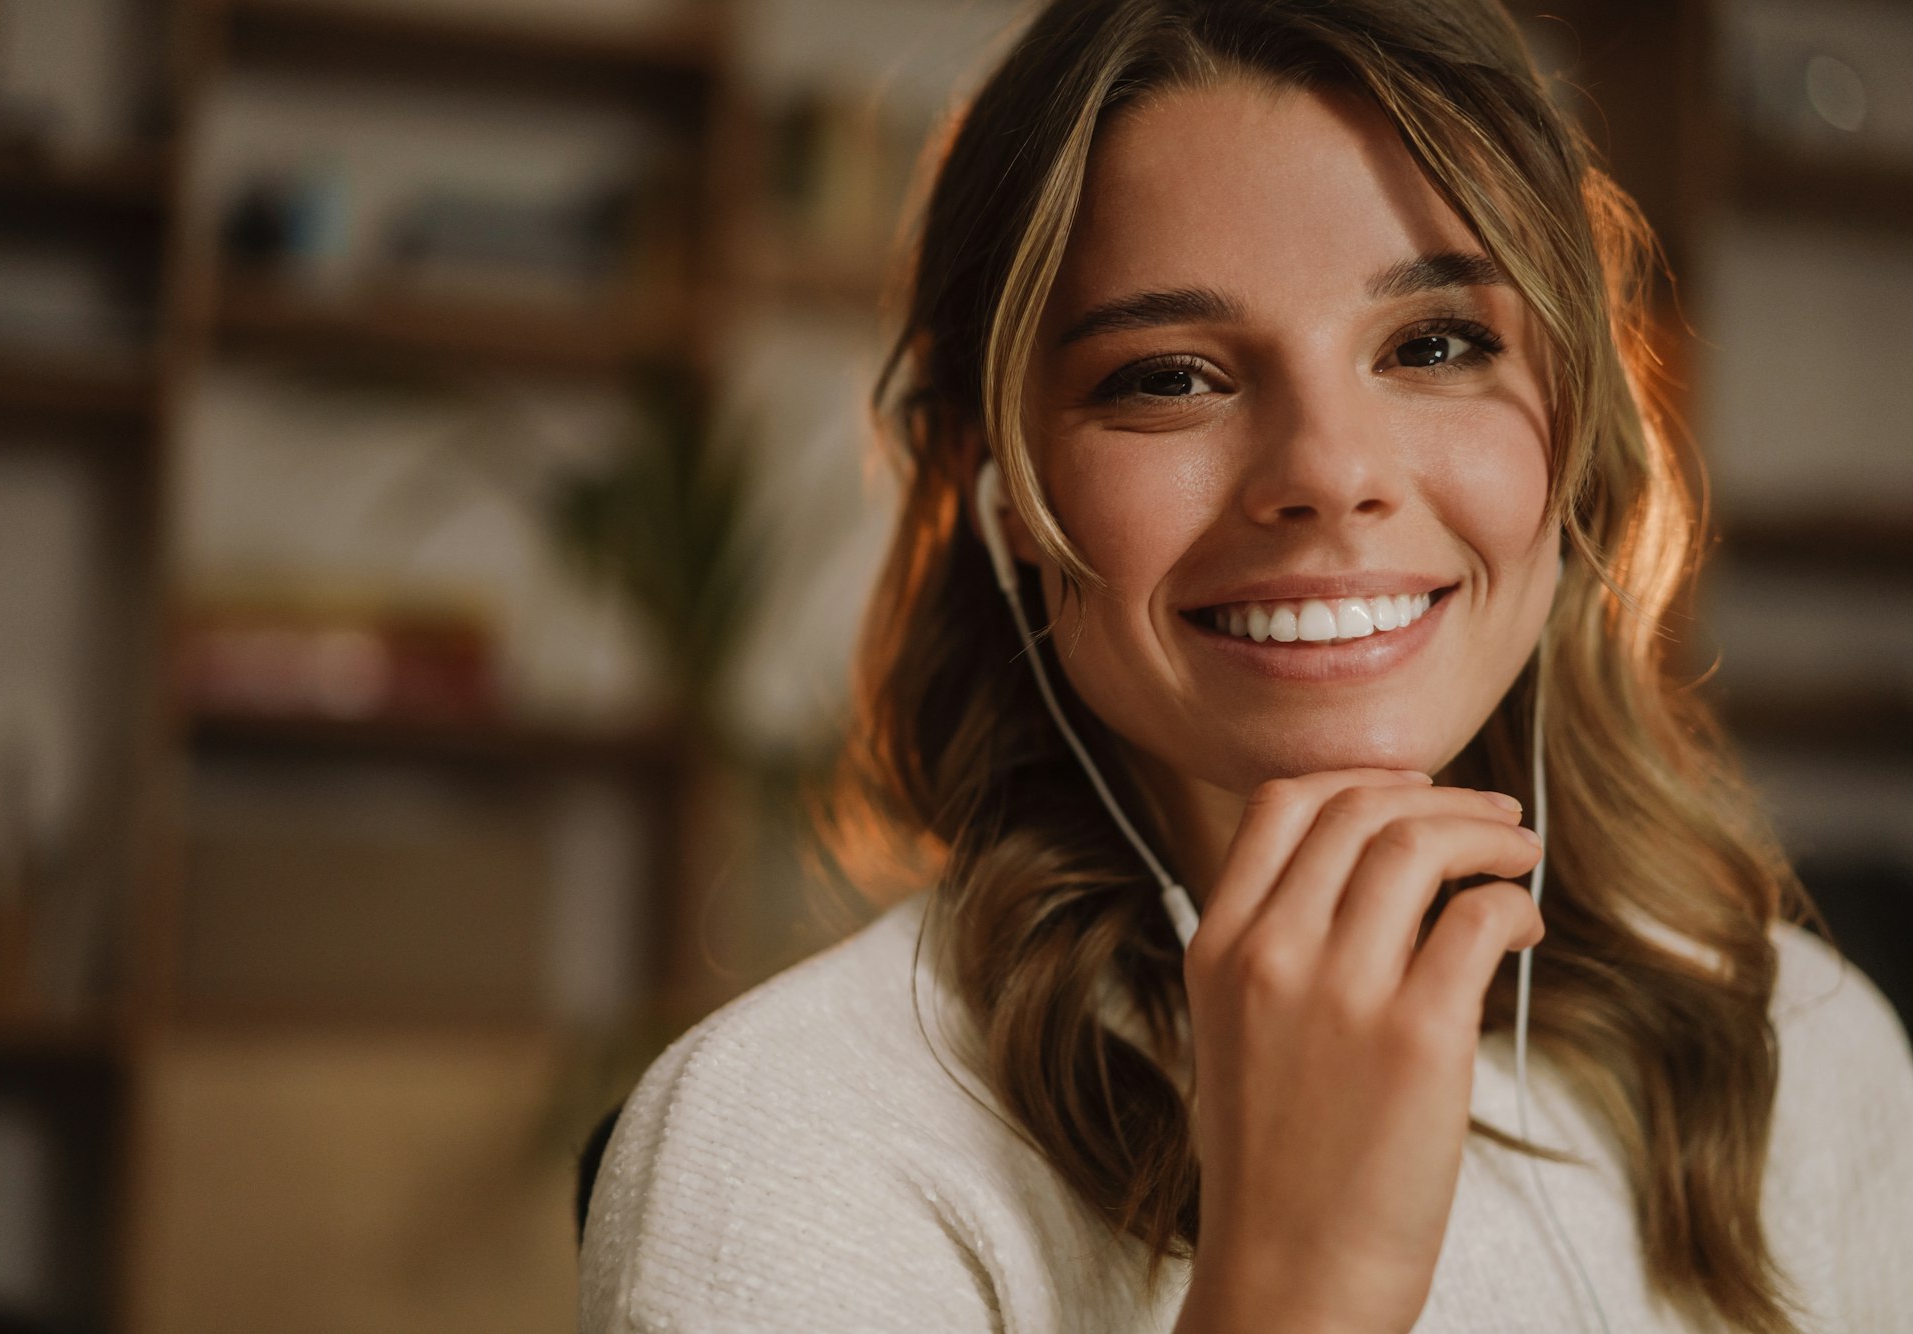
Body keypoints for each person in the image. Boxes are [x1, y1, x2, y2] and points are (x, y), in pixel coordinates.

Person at [576, 1, 1913, 1330]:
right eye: (1168, 376)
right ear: (996, 492)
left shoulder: (1800, 1045)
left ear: (1575, 430)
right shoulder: (795, 1140)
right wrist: (1294, 1294)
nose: (1329, 474)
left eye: (1435, 344)